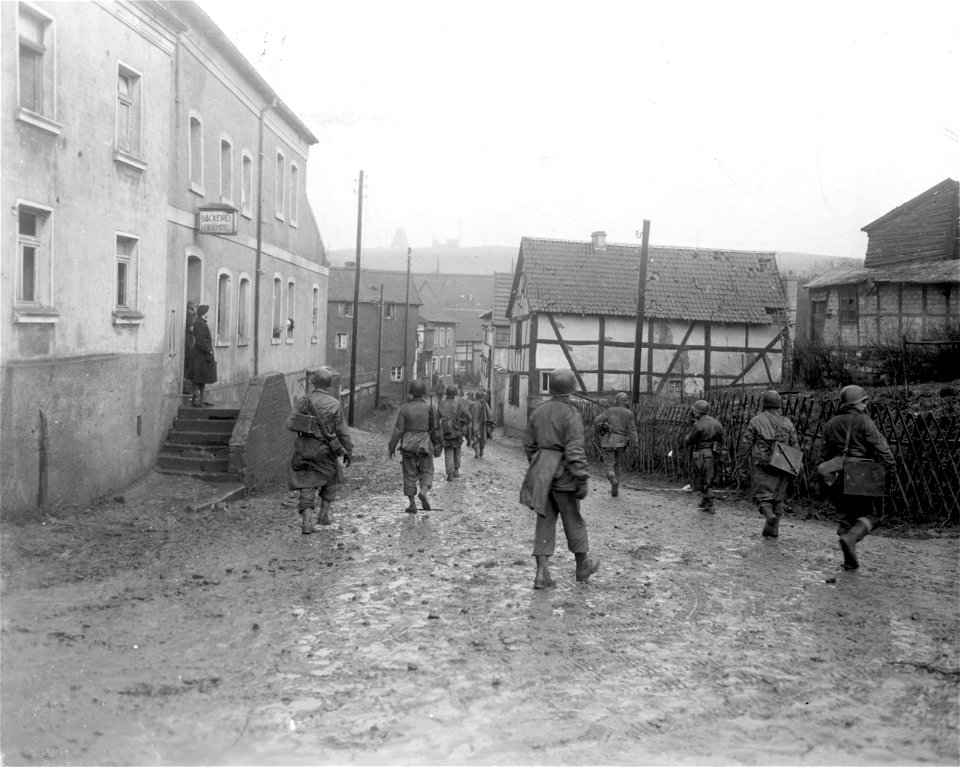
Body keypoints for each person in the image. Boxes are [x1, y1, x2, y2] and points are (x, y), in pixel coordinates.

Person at [520, 368, 600, 589]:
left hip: (541, 473)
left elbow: (528, 445)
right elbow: (574, 450)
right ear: (571, 390)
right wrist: (581, 477)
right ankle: (582, 566)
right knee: (573, 519)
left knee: (544, 522)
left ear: (552, 388)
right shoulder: (570, 413)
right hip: (564, 475)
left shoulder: (538, 411)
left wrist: (539, 466)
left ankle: (540, 574)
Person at [820, 384, 896, 569]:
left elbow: (823, 455)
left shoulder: (831, 424)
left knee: (847, 517)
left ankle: (848, 560)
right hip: (861, 472)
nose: (865, 405)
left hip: (836, 473)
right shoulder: (864, 421)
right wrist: (890, 467)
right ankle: (852, 538)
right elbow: (881, 447)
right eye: (863, 402)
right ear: (857, 403)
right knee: (874, 514)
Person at [286, 368, 353, 534]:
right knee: (332, 477)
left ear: (313, 383)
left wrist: (305, 424)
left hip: (303, 449)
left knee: (306, 484)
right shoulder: (334, 404)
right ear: (328, 386)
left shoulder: (303, 401)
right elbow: (342, 432)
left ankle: (307, 522)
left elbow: (289, 424)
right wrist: (348, 451)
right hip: (325, 449)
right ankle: (323, 515)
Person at [741, 390, 799, 537]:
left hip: (762, 463)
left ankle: (769, 516)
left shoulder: (756, 420)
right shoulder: (787, 422)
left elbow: (746, 444)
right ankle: (773, 530)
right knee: (778, 499)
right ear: (779, 404)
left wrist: (741, 464)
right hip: (783, 463)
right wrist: (796, 468)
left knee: (762, 497)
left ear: (764, 403)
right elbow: (795, 446)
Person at [388, 380, 443, 513]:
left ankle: (412, 504)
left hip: (408, 444)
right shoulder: (430, 409)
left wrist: (391, 447)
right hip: (425, 442)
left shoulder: (404, 408)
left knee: (409, 473)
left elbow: (398, 430)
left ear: (411, 393)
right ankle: (424, 491)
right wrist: (438, 446)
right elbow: (436, 430)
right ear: (423, 393)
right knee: (427, 470)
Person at [593, 392, 638, 497]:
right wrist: (636, 446)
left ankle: (612, 478)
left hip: (608, 441)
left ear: (616, 401)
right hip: (621, 443)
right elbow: (633, 431)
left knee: (609, 464)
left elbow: (596, 421)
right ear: (626, 402)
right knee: (617, 463)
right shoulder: (629, 413)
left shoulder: (609, 411)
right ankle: (616, 483)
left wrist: (602, 426)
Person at [683, 399, 724, 513]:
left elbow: (689, 440)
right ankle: (705, 502)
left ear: (696, 412)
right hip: (715, 453)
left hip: (702, 454)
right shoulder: (717, 423)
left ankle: (710, 504)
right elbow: (722, 440)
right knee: (709, 478)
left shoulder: (698, 424)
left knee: (703, 478)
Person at [438, 385, 469, 480]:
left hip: (446, 432)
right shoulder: (458, 404)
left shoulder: (441, 404)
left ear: (446, 394)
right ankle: (456, 470)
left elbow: (437, 419)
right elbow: (463, 418)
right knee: (457, 450)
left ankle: (450, 474)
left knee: (448, 451)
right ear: (455, 395)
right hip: (457, 432)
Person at [188, 304, 217, 407]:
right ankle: (196, 399)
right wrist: (208, 351)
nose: (208, 314)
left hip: (202, 354)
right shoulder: (200, 323)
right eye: (207, 312)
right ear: (204, 313)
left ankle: (201, 399)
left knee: (202, 377)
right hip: (201, 354)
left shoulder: (201, 322)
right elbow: (200, 341)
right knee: (198, 377)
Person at [467, 390, 494, 459]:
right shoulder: (485, 404)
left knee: (475, 438)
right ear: (482, 397)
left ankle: (477, 454)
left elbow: (468, 414)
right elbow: (490, 415)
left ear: (476, 396)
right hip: (483, 425)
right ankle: (481, 451)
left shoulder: (472, 404)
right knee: (482, 438)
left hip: (474, 424)